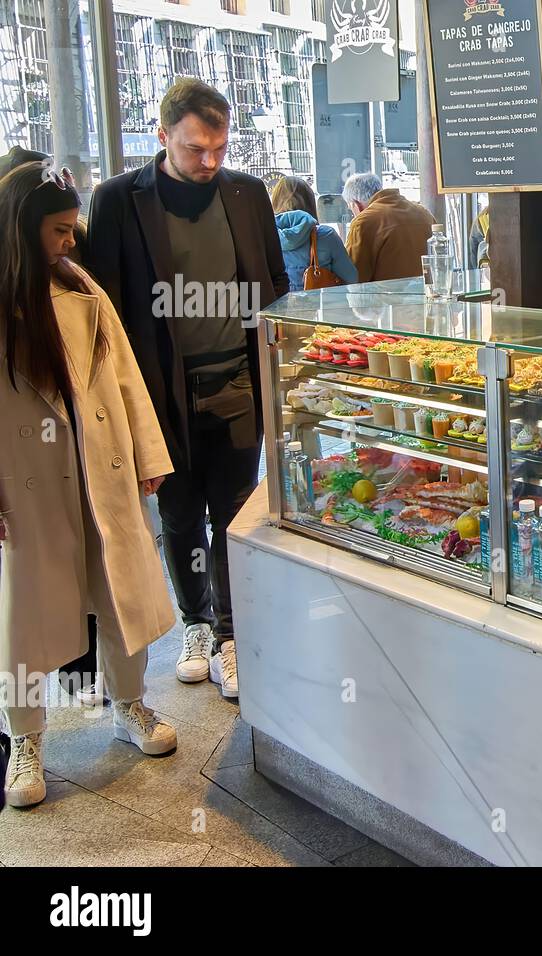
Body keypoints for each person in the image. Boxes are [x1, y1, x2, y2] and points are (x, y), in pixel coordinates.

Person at [84, 78, 290, 699]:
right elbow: (105, 307)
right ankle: (195, 621)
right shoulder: (119, 200)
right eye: (197, 149)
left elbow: (274, 284)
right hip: (158, 393)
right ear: (163, 135)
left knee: (233, 511)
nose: (210, 162)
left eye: (220, 148)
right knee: (176, 514)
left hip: (236, 384)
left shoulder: (248, 194)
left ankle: (230, 631)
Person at [0, 161, 179, 808]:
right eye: (58, 229)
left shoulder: (84, 291)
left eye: (72, 228)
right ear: (22, 229)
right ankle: (25, 739)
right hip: (28, 482)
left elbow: (125, 376)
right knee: (26, 616)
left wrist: (147, 455)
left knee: (118, 594)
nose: (71, 241)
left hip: (100, 468)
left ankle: (130, 706)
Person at [341, 172, 439, 283]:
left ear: (356, 204)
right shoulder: (424, 213)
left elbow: (354, 276)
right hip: (425, 295)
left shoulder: (363, 222)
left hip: (387, 298)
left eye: (350, 208)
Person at [271, 175, 358, 292]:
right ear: (310, 201)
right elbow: (351, 279)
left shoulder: (264, 237)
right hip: (321, 308)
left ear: (275, 202)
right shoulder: (326, 235)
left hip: (279, 308)